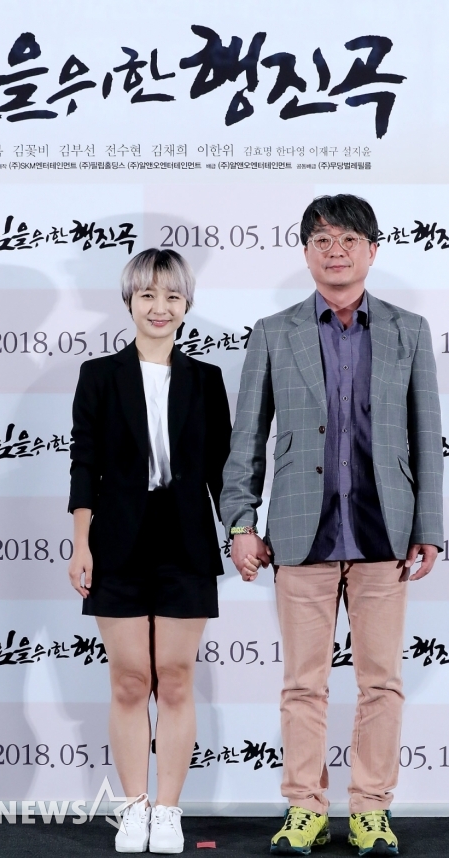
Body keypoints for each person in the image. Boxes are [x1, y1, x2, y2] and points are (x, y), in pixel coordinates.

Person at [220, 194, 443, 856]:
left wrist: (429, 525)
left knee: (382, 682)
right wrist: (240, 522)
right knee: (301, 684)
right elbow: (246, 438)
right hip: (300, 534)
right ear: (306, 252)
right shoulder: (274, 331)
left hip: (384, 535)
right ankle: (305, 809)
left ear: (372, 250)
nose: (335, 251)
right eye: (322, 240)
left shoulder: (408, 330)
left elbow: (426, 437)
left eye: (348, 239)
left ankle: (371, 809)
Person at [67, 248, 231, 854]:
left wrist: (241, 530)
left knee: (177, 678)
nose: (160, 308)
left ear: (187, 305)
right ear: (129, 302)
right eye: (147, 296)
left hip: (186, 537)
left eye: (172, 296)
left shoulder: (206, 380)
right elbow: (84, 464)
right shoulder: (98, 376)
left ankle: (168, 810)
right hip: (117, 538)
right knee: (131, 680)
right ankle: (133, 807)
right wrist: (80, 543)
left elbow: (222, 470)